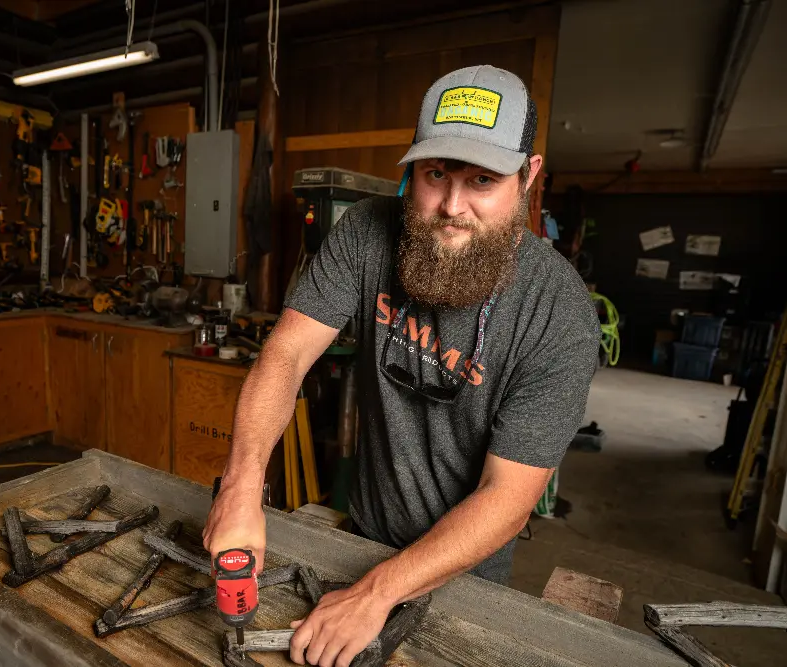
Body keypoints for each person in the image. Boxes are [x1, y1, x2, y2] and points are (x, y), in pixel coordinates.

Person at [204, 65, 601, 667]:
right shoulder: (366, 234)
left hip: (462, 572)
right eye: (435, 173)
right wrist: (239, 488)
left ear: (529, 176)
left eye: (483, 181)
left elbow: (507, 496)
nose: (451, 207)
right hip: (361, 530)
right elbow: (286, 354)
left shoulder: (560, 316)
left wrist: (377, 593)